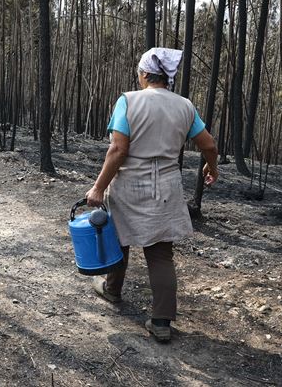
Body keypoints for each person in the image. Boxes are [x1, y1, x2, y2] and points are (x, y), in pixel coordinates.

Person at [84, 47, 219, 343]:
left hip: (130, 184)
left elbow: (118, 149)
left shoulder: (128, 101)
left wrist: (98, 187)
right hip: (167, 187)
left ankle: (112, 290)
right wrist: (212, 166)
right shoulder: (185, 106)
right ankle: (161, 322)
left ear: (145, 74)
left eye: (139, 72)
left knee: (119, 242)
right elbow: (208, 143)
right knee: (160, 255)